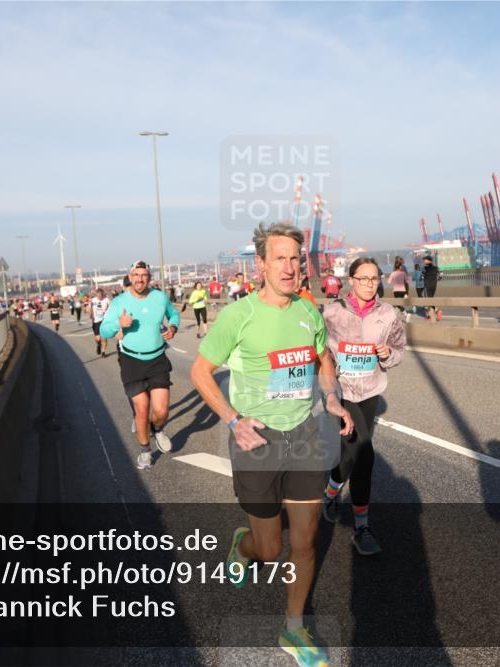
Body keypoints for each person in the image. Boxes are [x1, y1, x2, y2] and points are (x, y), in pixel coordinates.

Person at [191, 223, 353, 667]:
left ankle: (293, 626)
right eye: (279, 258)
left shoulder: (308, 312)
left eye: (295, 259)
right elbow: (200, 372)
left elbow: (323, 358)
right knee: (270, 549)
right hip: (256, 440)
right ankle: (244, 544)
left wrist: (333, 398)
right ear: (260, 265)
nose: (289, 267)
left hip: (303, 435)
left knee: (305, 541)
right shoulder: (237, 316)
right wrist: (233, 419)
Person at [321, 257, 406, 555]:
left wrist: (387, 354)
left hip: (369, 391)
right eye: (364, 278)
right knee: (363, 454)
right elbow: (317, 349)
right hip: (339, 391)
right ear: (351, 280)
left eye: (374, 279)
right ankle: (362, 528)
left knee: (348, 458)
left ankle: (329, 494)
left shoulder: (388, 313)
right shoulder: (331, 312)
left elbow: (399, 349)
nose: (370, 284)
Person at [100, 261, 179, 470]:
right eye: (136, 275)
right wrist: (119, 324)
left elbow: (174, 314)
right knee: (142, 409)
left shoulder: (160, 297)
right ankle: (145, 451)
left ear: (149, 277)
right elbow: (104, 331)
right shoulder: (119, 302)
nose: (140, 279)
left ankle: (158, 428)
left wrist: (173, 327)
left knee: (161, 411)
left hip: (157, 359)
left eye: (144, 275)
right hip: (131, 360)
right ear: (130, 276)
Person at [88, 288, 112, 357]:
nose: (99, 297)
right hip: (96, 321)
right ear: (96, 295)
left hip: (104, 321)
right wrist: (91, 314)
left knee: (104, 338)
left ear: (102, 295)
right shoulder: (93, 300)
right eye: (98, 296)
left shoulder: (106, 300)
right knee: (98, 338)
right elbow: (90, 308)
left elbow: (112, 307)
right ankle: (98, 345)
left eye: (101, 296)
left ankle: (103, 352)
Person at [422, 256, 442, 320]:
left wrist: (423, 278)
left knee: (427, 300)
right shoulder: (436, 267)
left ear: (428, 260)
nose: (424, 261)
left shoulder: (424, 268)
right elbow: (441, 274)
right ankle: (430, 315)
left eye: (425, 260)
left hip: (427, 285)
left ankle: (437, 310)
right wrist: (438, 279)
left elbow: (421, 276)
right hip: (434, 285)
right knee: (431, 299)